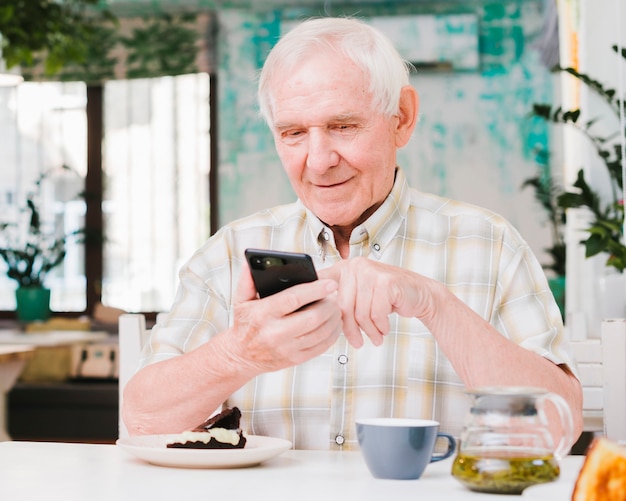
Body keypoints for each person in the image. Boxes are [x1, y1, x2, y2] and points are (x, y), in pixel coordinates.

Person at [123, 17, 582, 450]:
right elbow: (141, 421)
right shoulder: (227, 254)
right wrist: (239, 354)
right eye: (294, 133)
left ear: (401, 117)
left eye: (343, 126)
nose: (319, 160)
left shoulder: (490, 244)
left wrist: (434, 303)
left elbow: (557, 429)